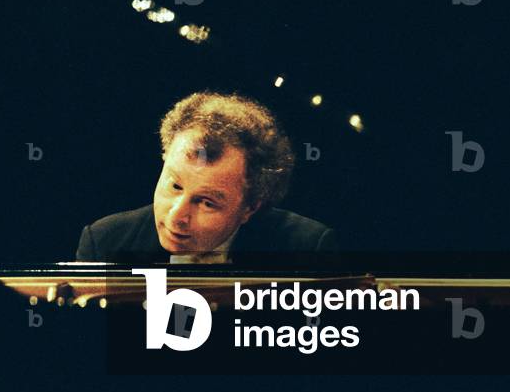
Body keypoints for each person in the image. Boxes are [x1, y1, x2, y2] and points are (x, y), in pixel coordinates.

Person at [76, 91, 337, 263]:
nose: (176, 217)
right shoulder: (104, 242)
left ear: (250, 208)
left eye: (207, 203)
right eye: (175, 185)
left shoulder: (308, 249)